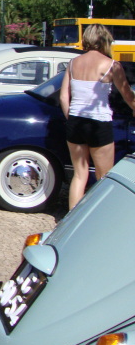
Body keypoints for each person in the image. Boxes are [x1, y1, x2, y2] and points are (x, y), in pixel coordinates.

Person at [59, 24, 135, 210]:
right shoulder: (111, 65)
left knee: (79, 174)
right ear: (105, 40)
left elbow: (63, 96)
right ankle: (99, 219)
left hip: (76, 121)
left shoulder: (73, 63)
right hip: (99, 123)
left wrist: (72, 118)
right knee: (103, 177)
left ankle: (72, 221)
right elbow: (127, 95)